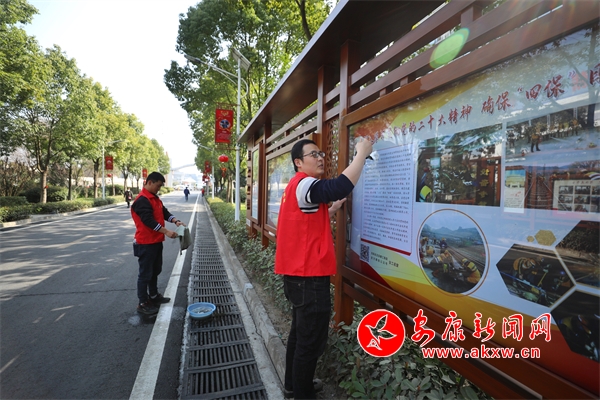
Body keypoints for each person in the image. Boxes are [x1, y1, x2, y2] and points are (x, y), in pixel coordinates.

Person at [274, 137, 373, 399]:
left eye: (321, 154)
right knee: (309, 342)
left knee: (299, 335)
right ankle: (303, 394)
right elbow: (339, 186)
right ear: (298, 162)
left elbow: (304, 221)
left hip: (297, 278)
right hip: (309, 279)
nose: (320, 158)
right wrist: (361, 153)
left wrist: (331, 210)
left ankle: (293, 385)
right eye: (313, 154)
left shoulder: (295, 187)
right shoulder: (306, 183)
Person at [131, 172, 185, 314]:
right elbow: (148, 221)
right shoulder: (142, 200)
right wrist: (166, 231)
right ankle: (143, 302)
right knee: (145, 274)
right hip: (145, 243)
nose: (159, 188)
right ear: (149, 182)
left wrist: (175, 221)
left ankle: (154, 296)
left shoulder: (154, 198)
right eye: (158, 185)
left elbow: (164, 212)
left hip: (155, 241)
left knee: (155, 270)